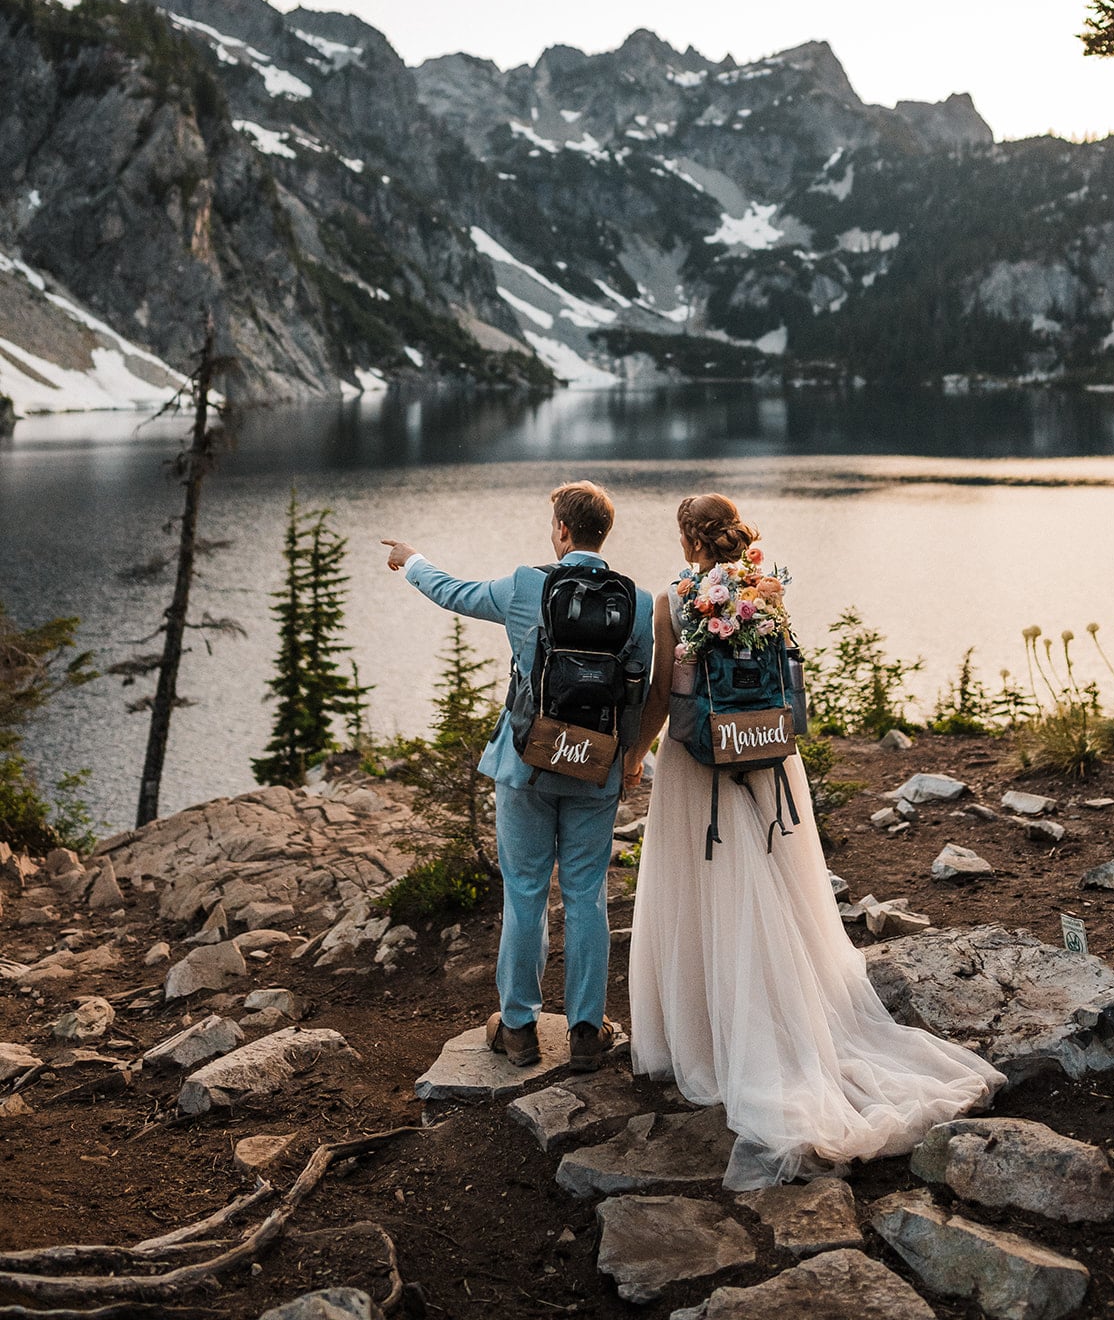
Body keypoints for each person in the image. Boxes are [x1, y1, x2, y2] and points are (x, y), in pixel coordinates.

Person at [624, 492, 1005, 1189]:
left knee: (703, 882)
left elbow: (659, 692)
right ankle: (786, 1012)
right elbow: (791, 680)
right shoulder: (767, 594)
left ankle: (717, 1033)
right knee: (768, 880)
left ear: (689, 541)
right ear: (736, 537)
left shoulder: (672, 598)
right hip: (766, 753)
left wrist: (632, 755)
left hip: (699, 762)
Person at [382, 481, 652, 1074]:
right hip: (595, 767)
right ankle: (585, 1032)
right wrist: (627, 761)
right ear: (604, 533)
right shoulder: (639, 602)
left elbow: (454, 593)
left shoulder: (527, 586)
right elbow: (635, 695)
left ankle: (519, 1028)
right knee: (586, 897)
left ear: (561, 530)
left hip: (527, 764)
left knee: (525, 893)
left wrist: (412, 562)